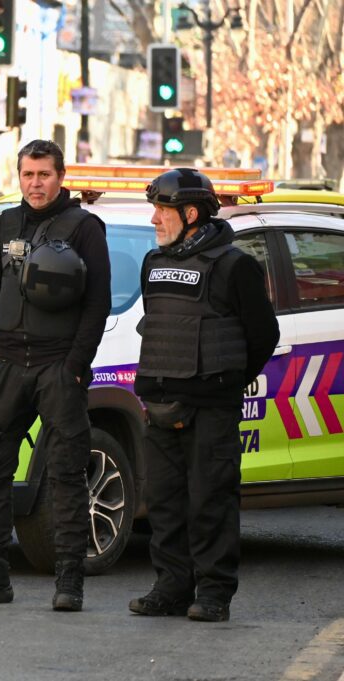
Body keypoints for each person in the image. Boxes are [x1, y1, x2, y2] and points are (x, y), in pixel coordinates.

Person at [0, 139, 111, 611]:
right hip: (7, 363)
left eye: (44, 175)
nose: (35, 184)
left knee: (66, 472)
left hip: (58, 365)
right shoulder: (5, 223)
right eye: (28, 175)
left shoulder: (84, 228)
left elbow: (97, 303)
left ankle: (69, 581)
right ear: (19, 176)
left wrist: (75, 366)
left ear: (61, 177)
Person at [129, 168, 278, 622]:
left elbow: (263, 336)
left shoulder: (235, 266)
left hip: (211, 408)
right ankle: (171, 588)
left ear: (191, 214)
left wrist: (223, 382)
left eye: (162, 210)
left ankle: (213, 593)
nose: (154, 219)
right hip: (161, 403)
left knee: (211, 501)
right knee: (164, 503)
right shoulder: (154, 263)